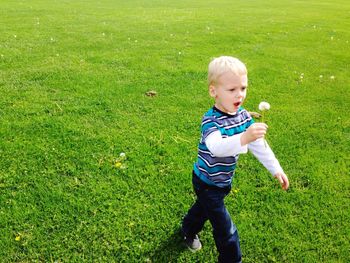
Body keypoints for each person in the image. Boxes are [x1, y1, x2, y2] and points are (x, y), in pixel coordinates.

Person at [181, 56, 289, 262]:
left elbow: (259, 146)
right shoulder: (211, 120)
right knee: (225, 229)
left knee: (203, 209)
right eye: (232, 90)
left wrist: (276, 168)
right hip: (205, 182)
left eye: (243, 88)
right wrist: (244, 137)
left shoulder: (243, 117)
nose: (239, 94)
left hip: (222, 183)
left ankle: (187, 228)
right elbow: (217, 147)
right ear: (214, 91)